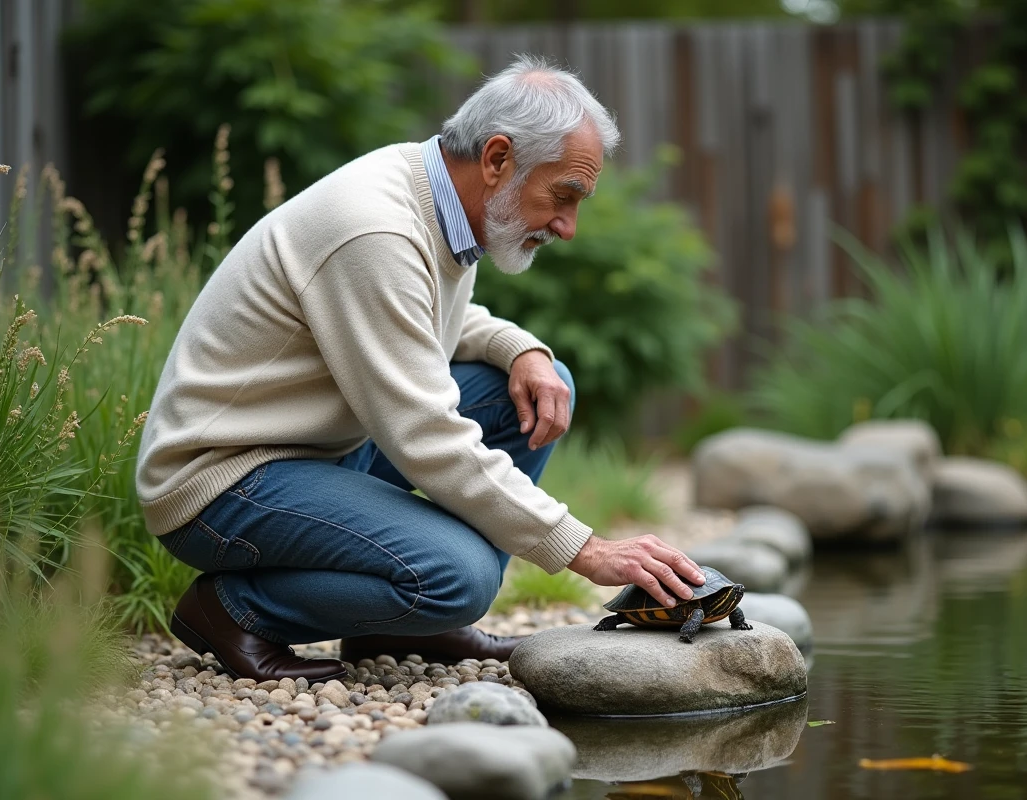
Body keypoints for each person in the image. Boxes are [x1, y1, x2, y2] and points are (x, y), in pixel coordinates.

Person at [135, 55, 705, 683]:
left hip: (317, 450)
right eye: (563, 195)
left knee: (540, 385)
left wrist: (521, 349)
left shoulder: (440, 202)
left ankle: (399, 623)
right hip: (224, 479)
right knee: (460, 577)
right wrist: (584, 548)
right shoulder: (373, 228)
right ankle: (234, 610)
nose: (568, 227)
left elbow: (421, 321)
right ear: (497, 159)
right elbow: (425, 433)